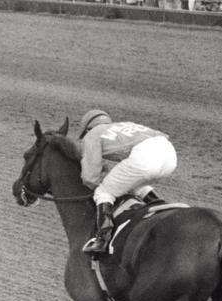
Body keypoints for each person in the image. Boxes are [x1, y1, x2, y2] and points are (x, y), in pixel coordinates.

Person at [75, 109, 177, 258]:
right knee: (132, 181)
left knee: (104, 192)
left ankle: (102, 239)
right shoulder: (123, 126)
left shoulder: (92, 134)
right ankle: (159, 208)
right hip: (169, 155)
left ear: (88, 128)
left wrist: (96, 186)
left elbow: (90, 177)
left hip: (145, 157)